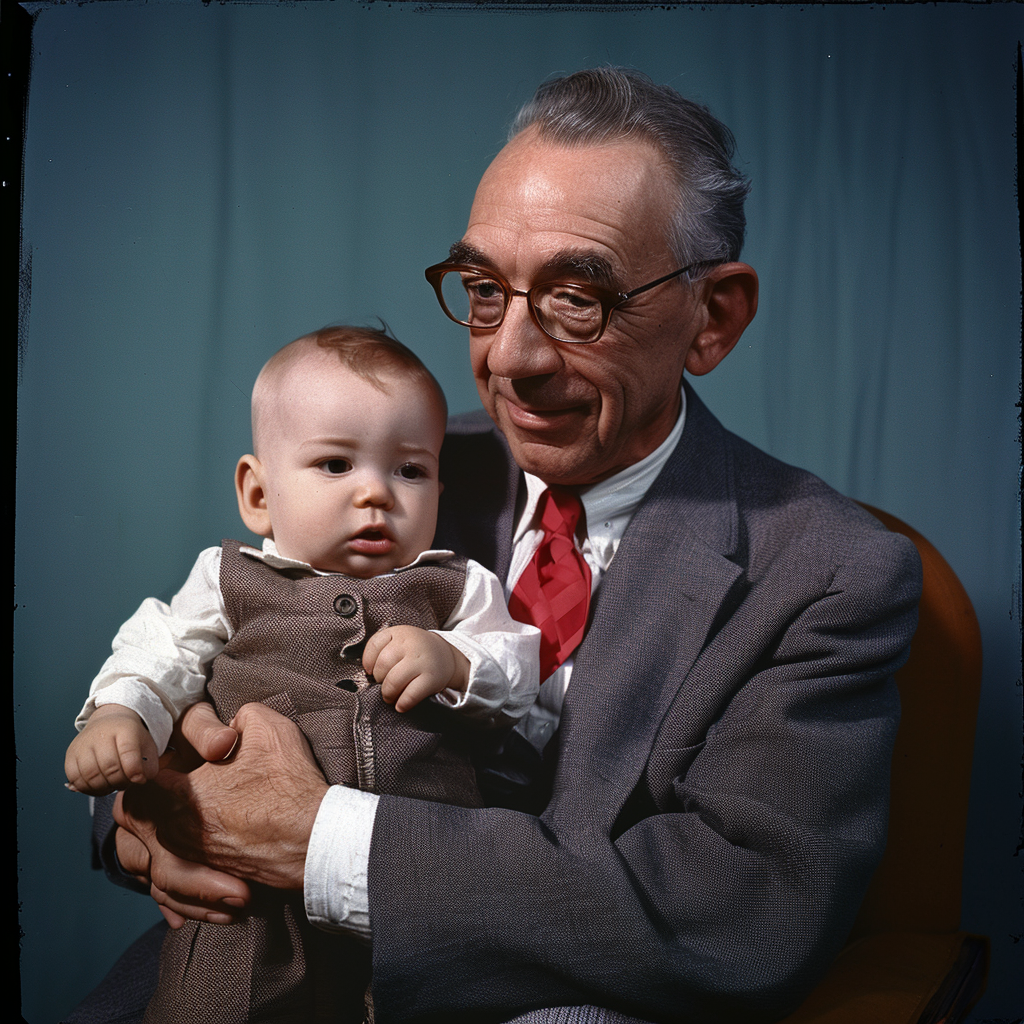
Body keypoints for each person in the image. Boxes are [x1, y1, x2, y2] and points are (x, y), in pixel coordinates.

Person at [74, 69, 921, 1024]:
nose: (508, 357)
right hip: (250, 968)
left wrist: (316, 840)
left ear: (712, 317)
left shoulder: (829, 572)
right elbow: (196, 664)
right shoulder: (392, 476)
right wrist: (150, 815)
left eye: (577, 298)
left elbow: (746, 914)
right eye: (484, 290)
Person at [65, 326, 540, 1023]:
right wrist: (122, 714)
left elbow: (516, 671)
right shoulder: (230, 580)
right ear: (258, 493)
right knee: (218, 1001)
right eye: (335, 465)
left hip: (418, 894)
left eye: (409, 471)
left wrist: (455, 660)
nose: (376, 493)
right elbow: (158, 650)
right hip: (252, 901)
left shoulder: (456, 587)